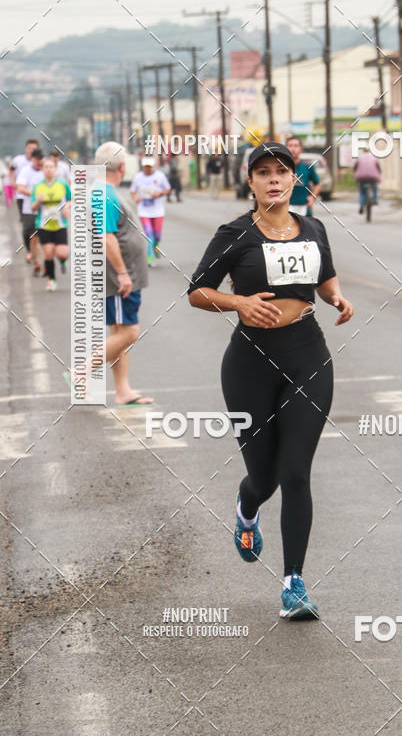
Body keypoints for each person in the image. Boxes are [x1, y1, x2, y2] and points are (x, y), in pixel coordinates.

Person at [188, 141, 353, 620]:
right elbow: (197, 291)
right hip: (250, 363)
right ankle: (246, 504)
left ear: (293, 178)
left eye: (282, 171)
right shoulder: (234, 233)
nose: (274, 179)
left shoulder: (314, 228)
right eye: (264, 172)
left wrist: (337, 298)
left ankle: (294, 584)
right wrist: (240, 303)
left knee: (295, 472)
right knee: (264, 478)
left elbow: (325, 280)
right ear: (251, 182)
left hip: (308, 355)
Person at [91, 142, 154, 407]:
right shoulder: (103, 195)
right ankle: (81, 371)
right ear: (123, 166)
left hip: (120, 275)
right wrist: (123, 274)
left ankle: (122, 390)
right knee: (129, 333)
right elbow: (107, 238)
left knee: (119, 331)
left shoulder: (105, 192)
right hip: (118, 277)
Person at [30, 157, 71, 291]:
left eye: (51, 167)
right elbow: (32, 207)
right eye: (46, 167)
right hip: (44, 225)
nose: (48, 169)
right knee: (48, 254)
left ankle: (63, 261)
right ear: (42, 169)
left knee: (62, 253)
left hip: (60, 224)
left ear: (55, 169)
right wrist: (38, 201)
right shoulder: (38, 186)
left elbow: (71, 200)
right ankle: (51, 280)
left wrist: (66, 207)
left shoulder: (62, 184)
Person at [130, 157, 171, 266]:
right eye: (145, 166)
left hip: (158, 211)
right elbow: (132, 192)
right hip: (144, 211)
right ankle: (150, 259)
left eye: (149, 166)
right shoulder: (138, 177)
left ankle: (156, 247)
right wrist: (135, 198)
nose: (147, 168)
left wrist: (160, 194)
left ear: (152, 166)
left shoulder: (160, 176)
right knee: (149, 235)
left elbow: (167, 189)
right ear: (143, 166)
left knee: (157, 236)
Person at [16, 148, 44, 273]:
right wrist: (34, 194)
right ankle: (36, 260)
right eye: (37, 159)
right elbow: (20, 188)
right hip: (29, 209)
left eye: (41, 158)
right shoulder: (25, 171)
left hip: (45, 210)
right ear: (32, 159)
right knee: (31, 236)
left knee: (39, 238)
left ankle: (41, 262)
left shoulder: (46, 170)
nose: (39, 161)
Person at [286, 136, 321, 217]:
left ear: (301, 148)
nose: (293, 148)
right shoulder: (281, 168)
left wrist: (312, 197)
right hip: (286, 209)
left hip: (305, 209)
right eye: (290, 145)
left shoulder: (307, 166)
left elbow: (318, 184)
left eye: (296, 146)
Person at [10, 139, 39, 220]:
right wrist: (13, 182)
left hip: (36, 196)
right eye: (29, 148)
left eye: (34, 148)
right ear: (25, 149)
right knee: (25, 220)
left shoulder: (39, 162)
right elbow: (11, 170)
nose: (31, 150)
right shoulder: (18, 160)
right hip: (21, 195)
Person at [353, 148, 381, 214]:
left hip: (361, 177)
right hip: (372, 177)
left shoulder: (359, 157)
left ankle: (362, 205)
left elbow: (355, 167)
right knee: (375, 187)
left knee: (362, 192)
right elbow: (378, 167)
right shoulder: (374, 157)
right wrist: (379, 172)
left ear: (363, 151)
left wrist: (355, 172)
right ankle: (375, 199)